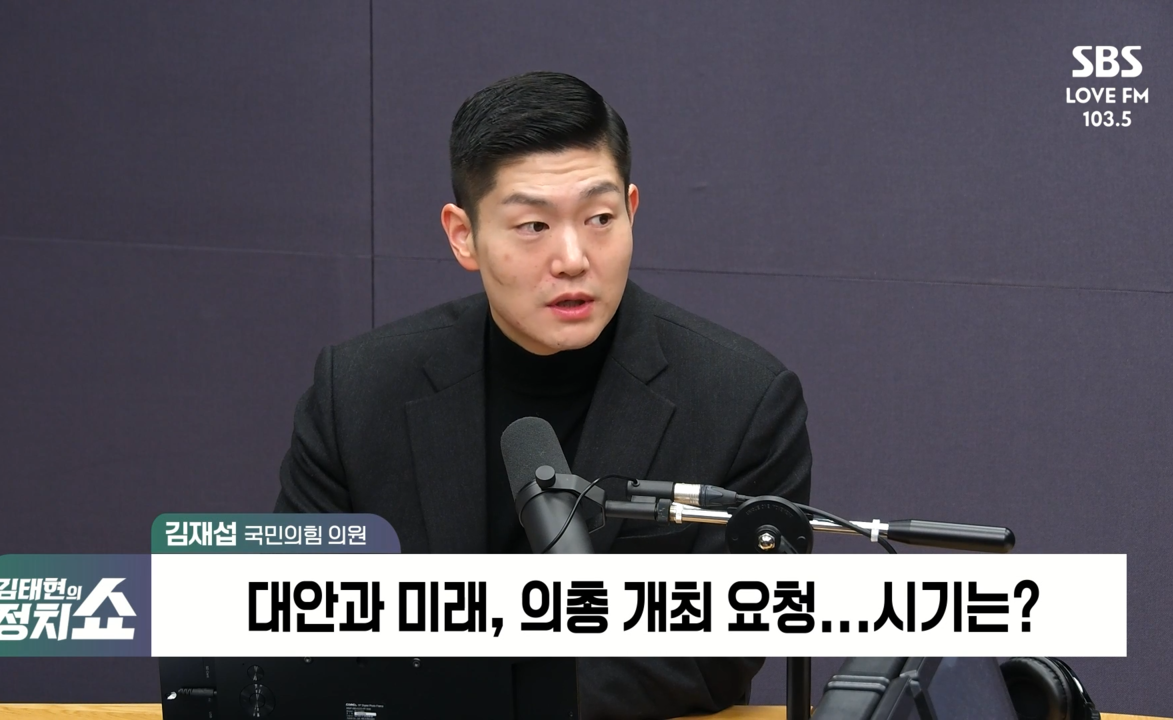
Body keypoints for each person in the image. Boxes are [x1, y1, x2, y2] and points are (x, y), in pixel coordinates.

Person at [276, 71, 812, 720]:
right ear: (463, 235)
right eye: (533, 225)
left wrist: (468, 685)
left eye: (600, 219)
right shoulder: (359, 392)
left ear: (632, 210)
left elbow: (709, 655)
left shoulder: (744, 401)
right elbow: (298, 615)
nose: (573, 258)